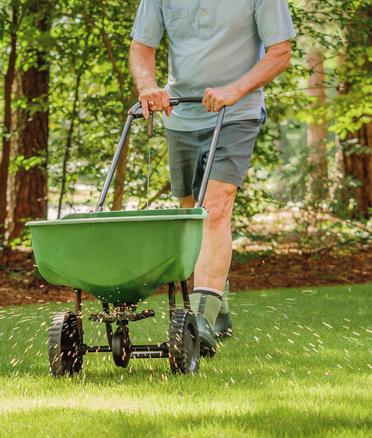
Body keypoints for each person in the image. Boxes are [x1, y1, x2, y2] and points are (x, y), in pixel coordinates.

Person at [129, 0, 296, 355]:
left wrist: (234, 90)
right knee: (192, 216)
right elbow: (142, 45)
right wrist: (148, 87)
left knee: (214, 208)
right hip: (180, 114)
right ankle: (217, 305)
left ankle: (200, 321)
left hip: (236, 112)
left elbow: (280, 52)